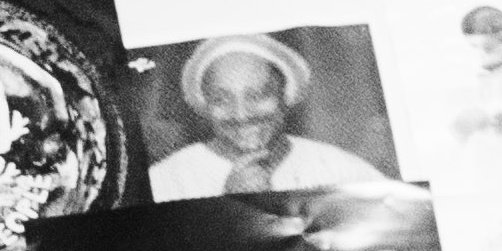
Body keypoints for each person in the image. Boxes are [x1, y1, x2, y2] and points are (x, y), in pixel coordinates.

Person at [150, 30, 379, 198]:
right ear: (204, 106)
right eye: (221, 100)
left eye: (257, 96)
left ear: (285, 97)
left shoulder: (342, 170)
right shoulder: (164, 180)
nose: (240, 115)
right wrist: (227, 205)